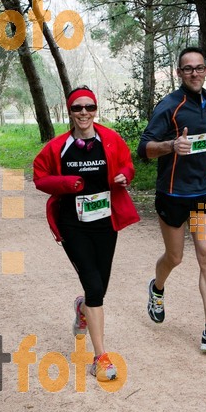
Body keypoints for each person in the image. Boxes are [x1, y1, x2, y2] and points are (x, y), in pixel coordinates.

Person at [33, 86, 139, 382]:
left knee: (100, 286)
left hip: (105, 220)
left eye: (89, 107)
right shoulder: (58, 147)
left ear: (96, 110)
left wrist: (125, 176)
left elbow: (127, 164)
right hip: (72, 222)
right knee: (94, 286)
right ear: (69, 111)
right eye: (77, 108)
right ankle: (101, 357)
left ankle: (82, 308)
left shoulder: (111, 139)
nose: (84, 113)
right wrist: (69, 183)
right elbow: (39, 177)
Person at [137, 46, 206, 353]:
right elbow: (144, 148)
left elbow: (202, 140)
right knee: (175, 257)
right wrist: (169, 145)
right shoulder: (169, 106)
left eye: (199, 67)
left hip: (204, 190)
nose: (195, 73)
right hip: (173, 193)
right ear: (179, 73)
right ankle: (157, 287)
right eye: (188, 68)